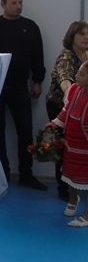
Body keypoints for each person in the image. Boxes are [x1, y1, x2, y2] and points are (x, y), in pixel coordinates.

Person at [0, 0, 47, 190]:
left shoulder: (30, 27)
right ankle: (2, 174)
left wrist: (38, 81)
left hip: (19, 86)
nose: (18, 6)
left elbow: (37, 56)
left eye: (20, 2)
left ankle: (26, 174)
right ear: (3, 4)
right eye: (14, 3)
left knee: (25, 130)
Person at [45, 21, 88, 200]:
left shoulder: (86, 54)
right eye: (82, 34)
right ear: (72, 36)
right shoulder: (66, 56)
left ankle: (79, 185)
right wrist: (71, 96)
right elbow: (64, 79)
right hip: (61, 105)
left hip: (81, 107)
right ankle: (64, 189)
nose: (86, 37)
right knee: (64, 147)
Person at [49, 61, 88, 226]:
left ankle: (87, 215)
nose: (77, 76)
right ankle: (73, 200)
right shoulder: (75, 90)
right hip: (72, 143)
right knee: (70, 174)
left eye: (82, 74)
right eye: (78, 72)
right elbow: (66, 110)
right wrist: (55, 123)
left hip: (86, 147)